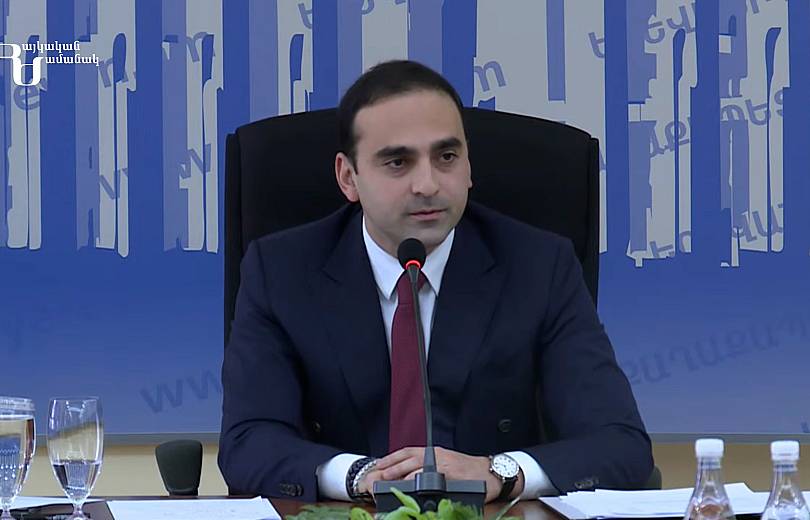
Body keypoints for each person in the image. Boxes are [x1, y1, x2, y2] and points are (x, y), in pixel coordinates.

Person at [218, 60, 653, 504]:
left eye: (446, 157)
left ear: (468, 165)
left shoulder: (540, 267)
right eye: (397, 162)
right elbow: (248, 442)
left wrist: (498, 472)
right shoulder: (280, 271)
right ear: (348, 178)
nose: (427, 185)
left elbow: (620, 445)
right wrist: (361, 476)